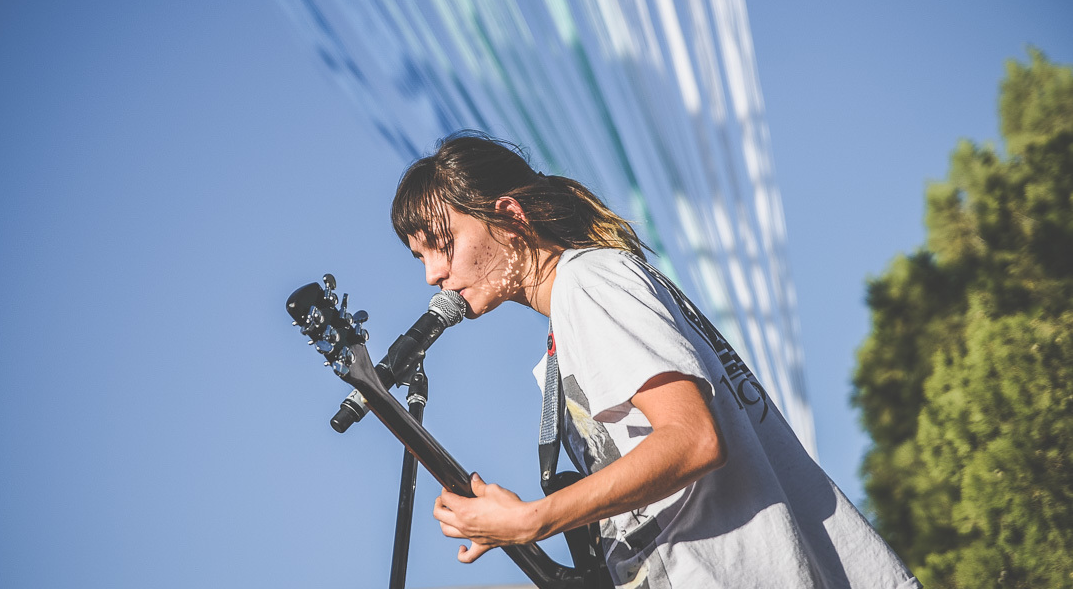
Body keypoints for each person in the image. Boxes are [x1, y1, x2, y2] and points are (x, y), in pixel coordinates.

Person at [391, 131, 920, 589]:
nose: (432, 274)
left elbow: (693, 438)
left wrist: (534, 519)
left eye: (443, 243)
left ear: (508, 217)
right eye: (420, 257)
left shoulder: (588, 283)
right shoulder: (577, 312)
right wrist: (520, 521)